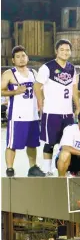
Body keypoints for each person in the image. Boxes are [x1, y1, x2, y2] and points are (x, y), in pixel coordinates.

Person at [34, 39, 80, 176]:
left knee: (66, 143)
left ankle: (63, 168)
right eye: (62, 50)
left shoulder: (72, 68)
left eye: (67, 50)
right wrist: (41, 103)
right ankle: (47, 169)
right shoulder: (47, 67)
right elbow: (37, 87)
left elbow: (74, 90)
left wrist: (77, 107)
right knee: (50, 142)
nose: (65, 52)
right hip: (52, 111)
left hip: (67, 113)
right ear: (56, 51)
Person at [1, 45, 45, 177]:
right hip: (17, 116)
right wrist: (15, 91)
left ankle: (33, 168)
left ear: (27, 57)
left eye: (23, 56)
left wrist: (42, 106)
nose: (21, 59)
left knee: (32, 144)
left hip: (32, 115)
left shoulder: (33, 73)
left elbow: (40, 91)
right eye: (18, 57)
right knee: (12, 143)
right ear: (13, 60)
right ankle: (10, 168)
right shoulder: (9, 73)